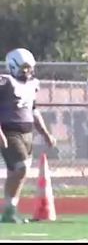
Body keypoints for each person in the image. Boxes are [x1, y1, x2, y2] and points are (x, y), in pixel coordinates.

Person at [0, 48, 57, 224]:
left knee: (16, 172)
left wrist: (46, 133)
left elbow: (33, 111)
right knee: (21, 168)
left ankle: (10, 210)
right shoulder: (6, 82)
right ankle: (9, 210)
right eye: (23, 67)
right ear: (13, 66)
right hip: (10, 131)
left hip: (27, 132)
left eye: (29, 67)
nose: (27, 71)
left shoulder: (33, 84)